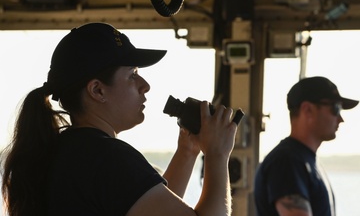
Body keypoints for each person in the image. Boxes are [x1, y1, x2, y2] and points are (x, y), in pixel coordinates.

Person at [0, 22, 238, 216]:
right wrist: (217, 154)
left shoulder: (66, 151)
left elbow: (145, 205)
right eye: (132, 75)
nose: (145, 85)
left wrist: (188, 151)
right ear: (97, 90)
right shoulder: (106, 157)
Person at [254, 76, 359, 216]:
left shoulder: (304, 160)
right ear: (307, 109)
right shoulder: (287, 161)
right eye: (336, 109)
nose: (340, 119)